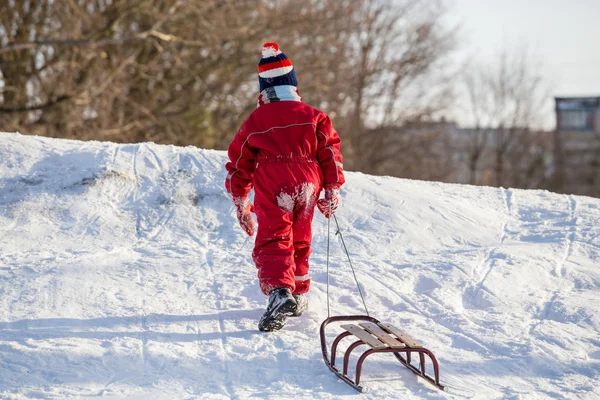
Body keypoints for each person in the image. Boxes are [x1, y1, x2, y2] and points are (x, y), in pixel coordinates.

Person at [225, 42, 345, 332]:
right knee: (300, 235)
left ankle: (280, 291)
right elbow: (329, 152)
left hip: (274, 182)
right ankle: (299, 292)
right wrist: (332, 187)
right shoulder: (314, 115)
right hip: (309, 180)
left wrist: (241, 200)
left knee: (274, 237)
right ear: (293, 85)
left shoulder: (256, 120)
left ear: (264, 89)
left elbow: (240, 162)